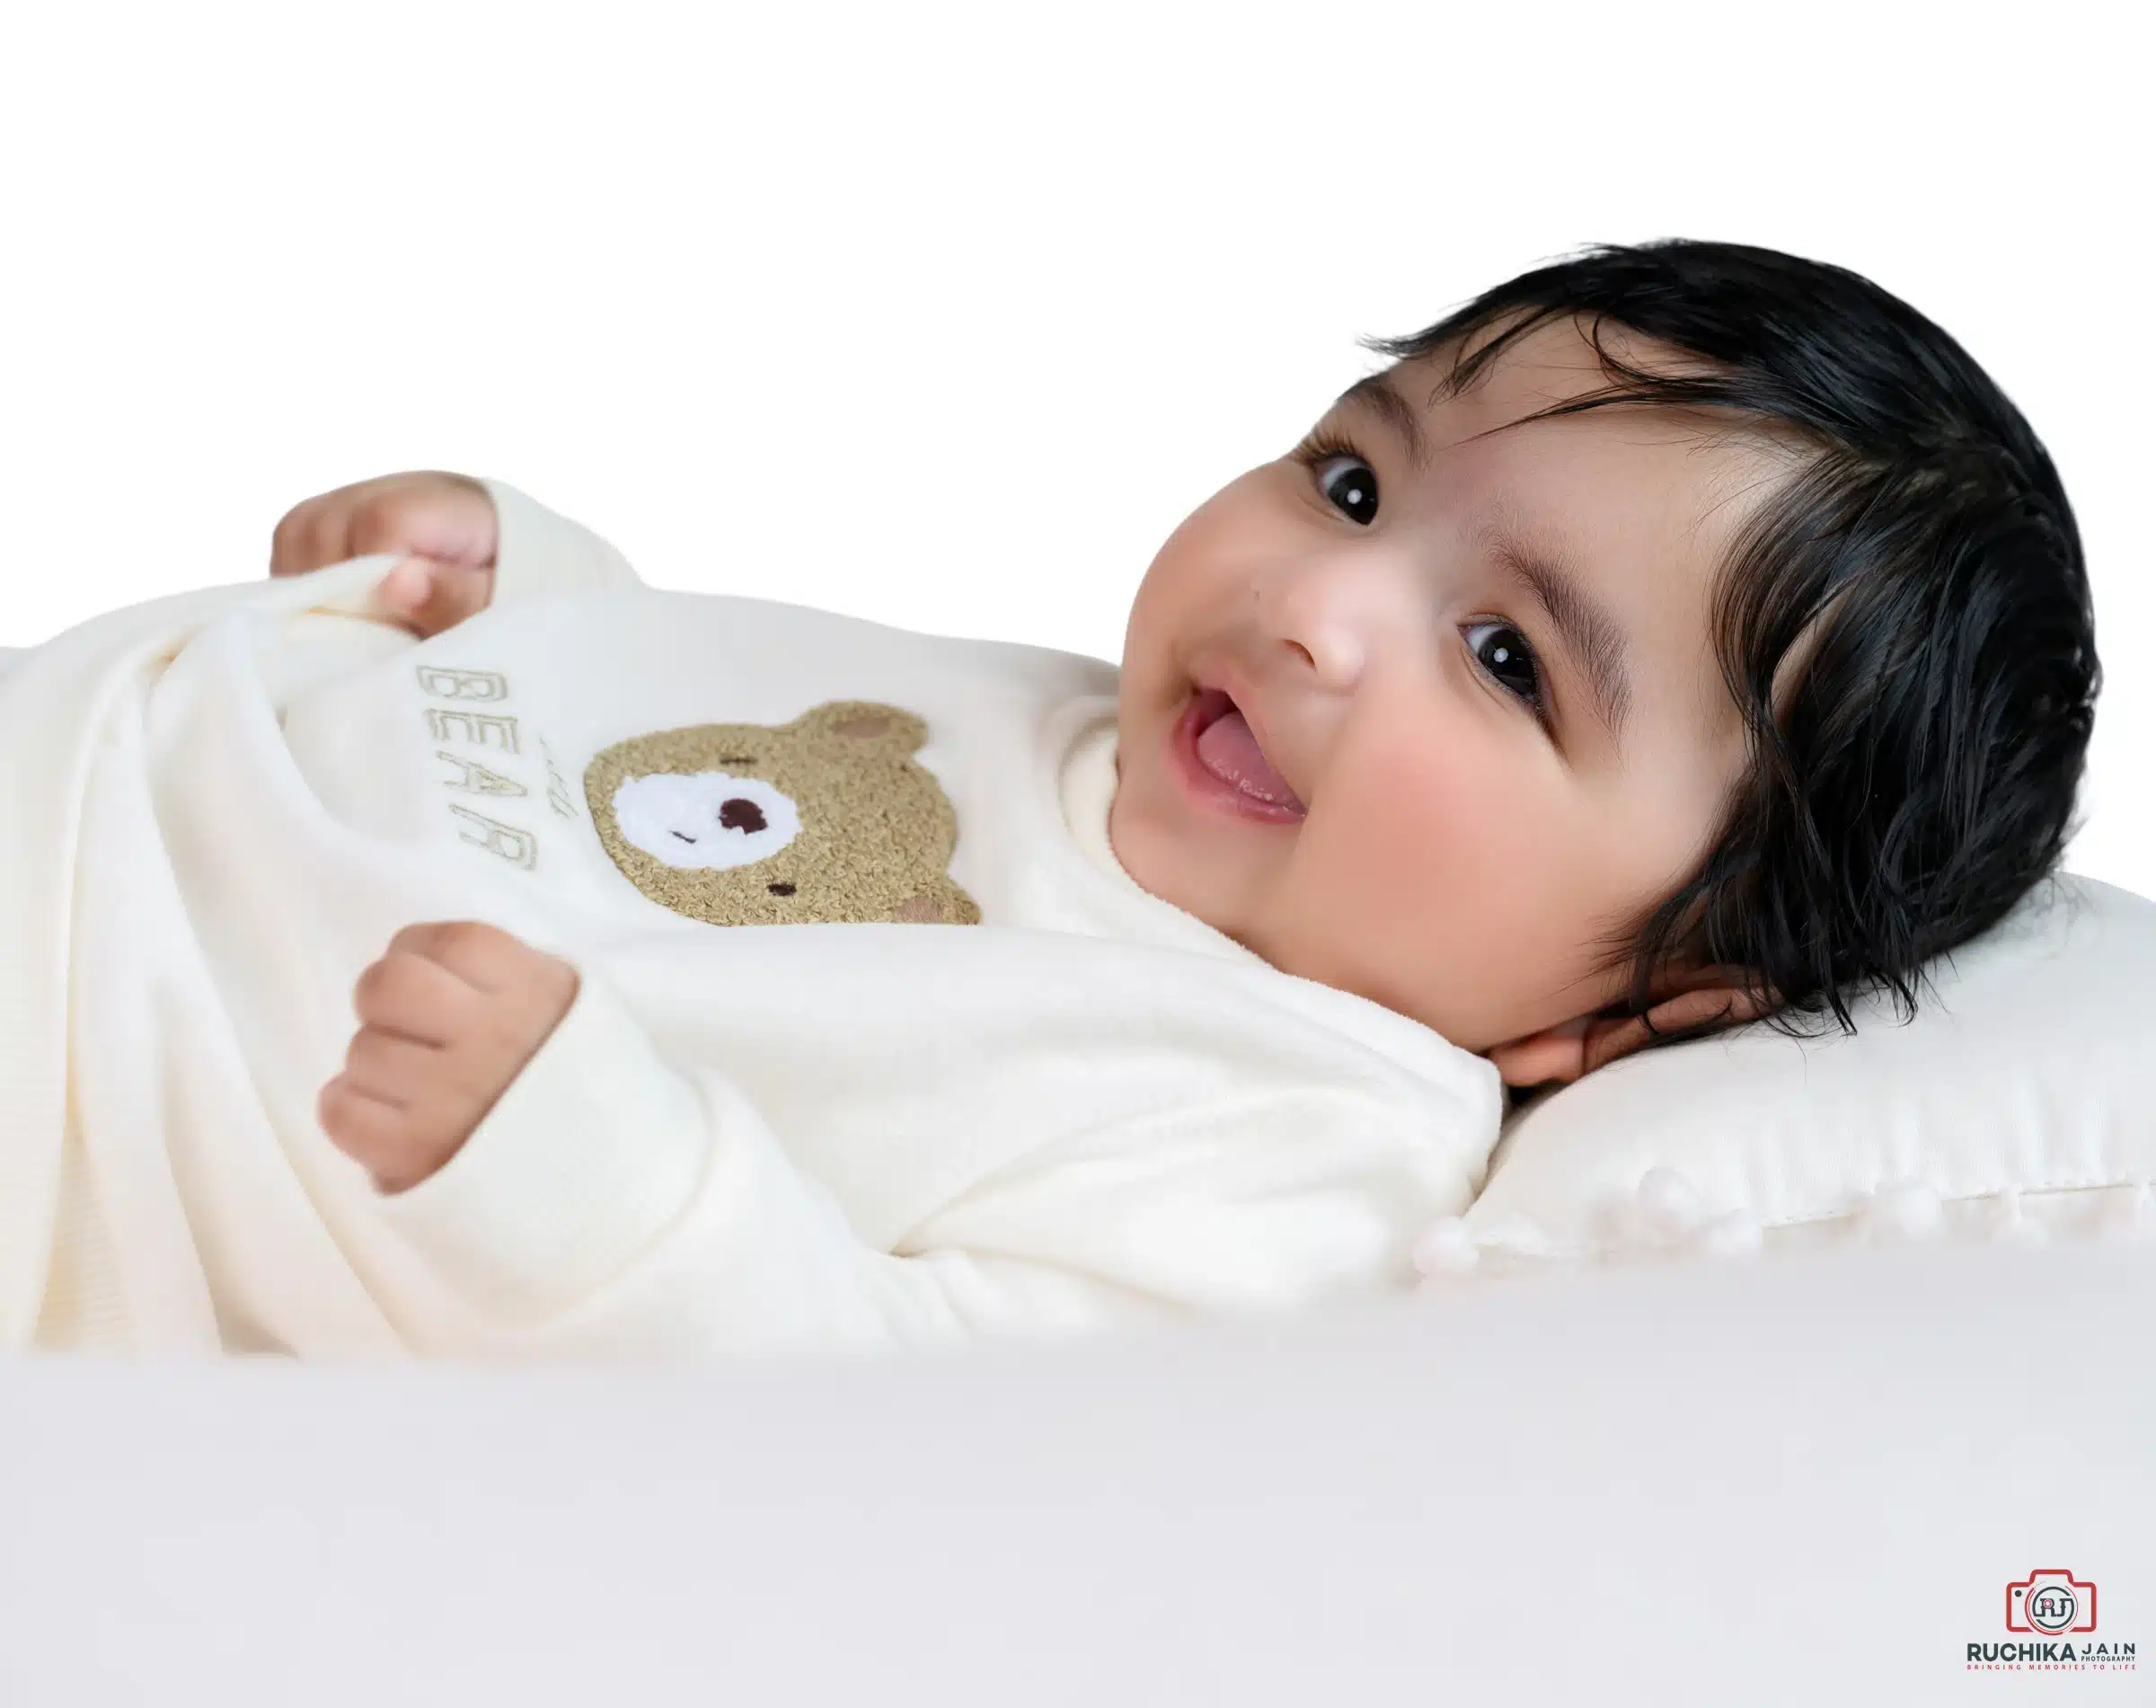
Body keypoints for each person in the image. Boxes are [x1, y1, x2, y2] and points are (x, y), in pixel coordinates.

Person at [4, 238, 2097, 1358]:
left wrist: (604, 1184)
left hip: (101, 1107)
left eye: (1503, 657)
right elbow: (745, 763)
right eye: (1354, 478)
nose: (1317, 605)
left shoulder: (1292, 1136)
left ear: (1656, 1001)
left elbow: (922, 1426)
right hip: (114, 755)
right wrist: (531, 588)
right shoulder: (1132, 741)